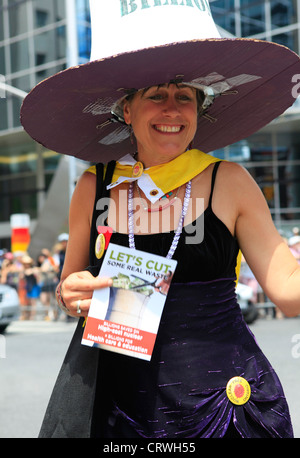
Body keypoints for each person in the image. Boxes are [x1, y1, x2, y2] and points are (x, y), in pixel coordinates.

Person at [20, 1, 300, 439]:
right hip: (118, 409)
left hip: (222, 407)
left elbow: (287, 290)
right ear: (127, 110)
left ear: (198, 112)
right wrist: (69, 292)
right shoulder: (92, 187)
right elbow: (70, 283)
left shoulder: (230, 180)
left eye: (184, 98)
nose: (172, 110)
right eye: (156, 95)